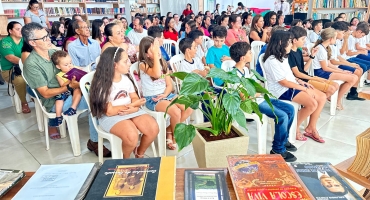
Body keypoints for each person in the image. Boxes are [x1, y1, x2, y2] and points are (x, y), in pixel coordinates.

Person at [22, 22, 111, 156]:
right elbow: (45, 94)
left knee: (101, 91)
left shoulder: (54, 53)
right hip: (54, 101)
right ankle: (94, 141)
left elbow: (71, 68)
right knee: (95, 100)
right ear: (32, 43)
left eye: (47, 35)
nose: (48, 39)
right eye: (44, 38)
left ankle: (103, 129)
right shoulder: (32, 64)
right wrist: (69, 87)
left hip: (70, 90)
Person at [230, 41, 297, 162]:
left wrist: (258, 92)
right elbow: (244, 97)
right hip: (251, 103)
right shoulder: (234, 75)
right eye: (250, 52)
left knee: (290, 109)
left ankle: (283, 139)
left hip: (259, 98)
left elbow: (254, 86)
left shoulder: (245, 70)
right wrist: (258, 93)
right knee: (282, 116)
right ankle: (278, 149)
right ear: (242, 57)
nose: (252, 54)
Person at [89, 46, 159, 158]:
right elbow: (109, 111)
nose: (129, 64)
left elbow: (135, 98)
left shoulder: (126, 79)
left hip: (131, 111)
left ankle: (139, 153)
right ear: (114, 65)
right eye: (126, 61)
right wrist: (132, 105)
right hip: (110, 117)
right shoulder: (102, 84)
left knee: (153, 128)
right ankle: (125, 159)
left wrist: (135, 107)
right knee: (131, 136)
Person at [262, 30, 327, 143]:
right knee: (312, 104)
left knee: (322, 97)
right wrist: (304, 89)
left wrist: (299, 81)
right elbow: (283, 82)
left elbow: (288, 75)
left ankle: (311, 127)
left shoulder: (282, 56)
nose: (291, 44)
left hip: (291, 85)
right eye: (289, 42)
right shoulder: (272, 60)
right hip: (282, 90)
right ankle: (294, 128)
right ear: (281, 43)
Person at [138, 37, 193, 150]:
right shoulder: (143, 64)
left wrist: (165, 94)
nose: (157, 51)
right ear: (146, 54)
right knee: (175, 111)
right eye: (153, 49)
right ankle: (174, 137)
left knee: (189, 107)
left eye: (157, 48)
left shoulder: (162, 63)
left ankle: (169, 130)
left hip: (165, 95)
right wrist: (157, 57)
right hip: (152, 99)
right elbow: (157, 74)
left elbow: (169, 85)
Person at [312, 28, 358, 110]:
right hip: (320, 73)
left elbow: (329, 63)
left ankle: (336, 98)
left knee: (354, 77)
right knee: (352, 78)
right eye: (335, 38)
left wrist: (342, 71)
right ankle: (337, 100)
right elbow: (325, 68)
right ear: (330, 39)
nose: (336, 40)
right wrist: (342, 72)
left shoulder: (325, 47)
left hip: (323, 71)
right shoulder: (321, 49)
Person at [289, 26, 339, 101]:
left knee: (336, 85)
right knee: (331, 89)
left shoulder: (298, 51)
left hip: (306, 77)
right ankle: (317, 100)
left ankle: (318, 100)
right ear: (294, 40)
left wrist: (312, 56)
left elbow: (303, 69)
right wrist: (313, 78)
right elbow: (297, 74)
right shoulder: (290, 53)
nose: (305, 41)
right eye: (302, 39)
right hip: (300, 80)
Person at [330, 22, 366, 100]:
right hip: (335, 65)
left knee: (359, 69)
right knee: (357, 72)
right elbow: (343, 54)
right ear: (336, 32)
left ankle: (351, 92)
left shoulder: (337, 41)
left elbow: (340, 55)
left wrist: (350, 64)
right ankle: (343, 96)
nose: (345, 34)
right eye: (344, 32)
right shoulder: (332, 42)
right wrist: (346, 39)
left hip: (339, 61)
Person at [0, 21, 31, 113]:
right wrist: (28, 63)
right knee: (20, 80)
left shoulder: (25, 40)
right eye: (17, 29)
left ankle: (35, 96)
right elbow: (11, 58)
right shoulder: (5, 42)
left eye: (21, 29)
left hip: (25, 68)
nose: (21, 31)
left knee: (37, 75)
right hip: (10, 71)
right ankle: (24, 102)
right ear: (10, 31)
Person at [50, 50, 82, 127]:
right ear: (58, 66)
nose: (70, 66)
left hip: (75, 89)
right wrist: (70, 79)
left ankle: (73, 108)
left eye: (70, 63)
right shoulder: (59, 75)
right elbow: (62, 85)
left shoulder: (74, 68)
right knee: (59, 99)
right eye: (66, 65)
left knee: (77, 90)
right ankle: (58, 117)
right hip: (65, 91)